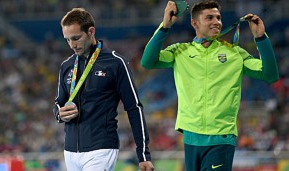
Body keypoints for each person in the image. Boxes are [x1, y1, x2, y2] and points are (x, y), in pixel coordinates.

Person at [141, 0, 279, 171]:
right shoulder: (180, 51)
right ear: (194, 23)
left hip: (221, 137)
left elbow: (270, 75)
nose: (217, 22)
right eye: (209, 18)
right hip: (191, 138)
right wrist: (165, 26)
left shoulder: (234, 53)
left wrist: (261, 39)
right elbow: (147, 61)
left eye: (218, 17)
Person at [53, 8, 154, 171]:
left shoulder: (115, 63)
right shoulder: (67, 66)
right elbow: (58, 102)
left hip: (101, 148)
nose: (72, 45)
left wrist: (143, 154)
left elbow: (134, 108)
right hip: (70, 151)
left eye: (76, 38)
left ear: (91, 31)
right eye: (67, 40)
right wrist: (59, 113)